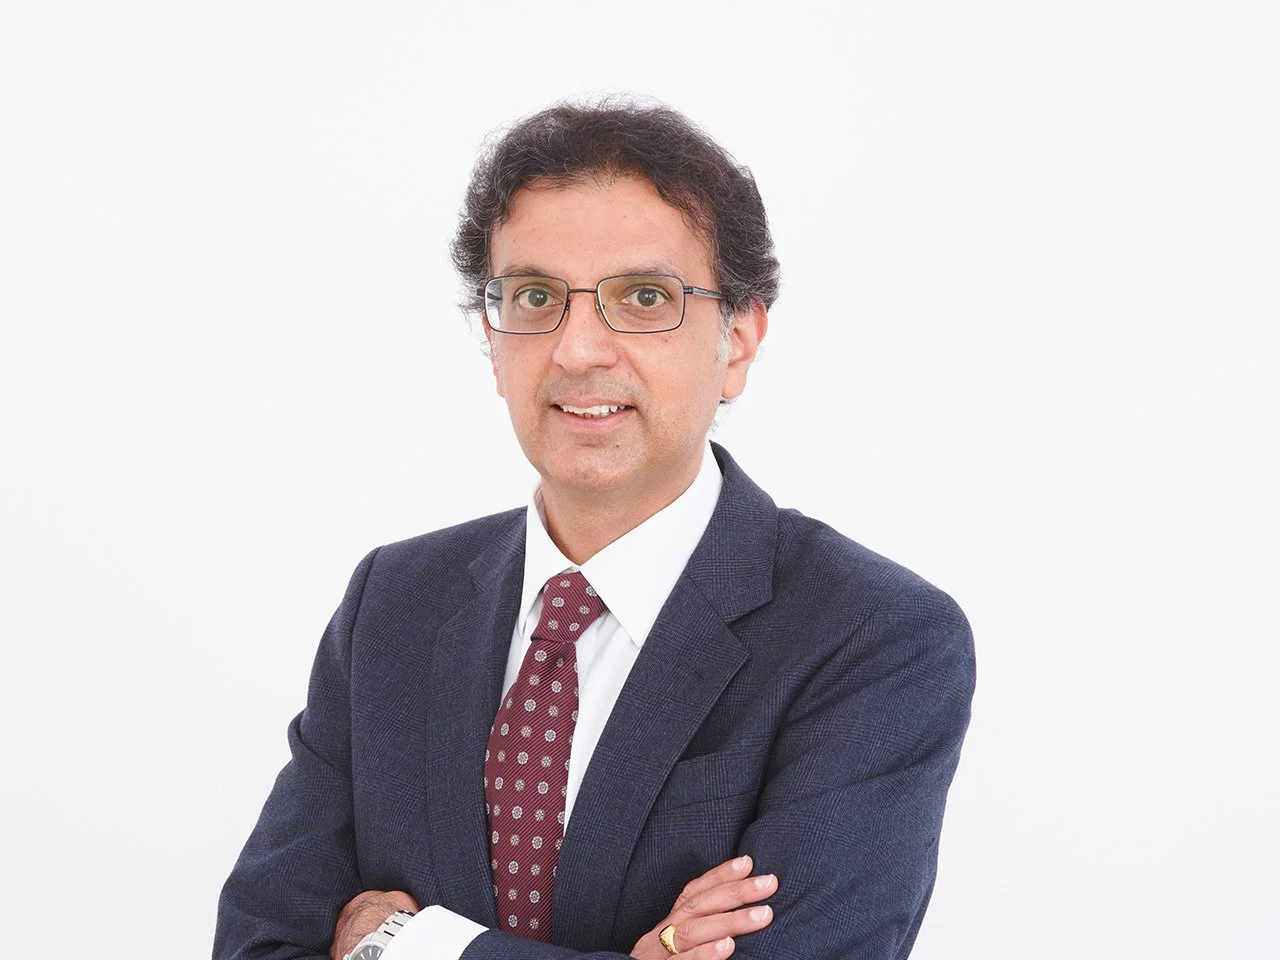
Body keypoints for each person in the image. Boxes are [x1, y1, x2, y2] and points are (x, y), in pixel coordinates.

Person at [214, 99, 976, 960]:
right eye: (535, 295)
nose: (578, 350)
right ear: (493, 340)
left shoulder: (872, 637)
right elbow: (257, 942)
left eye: (643, 297)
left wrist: (402, 942)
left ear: (739, 339)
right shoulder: (393, 603)